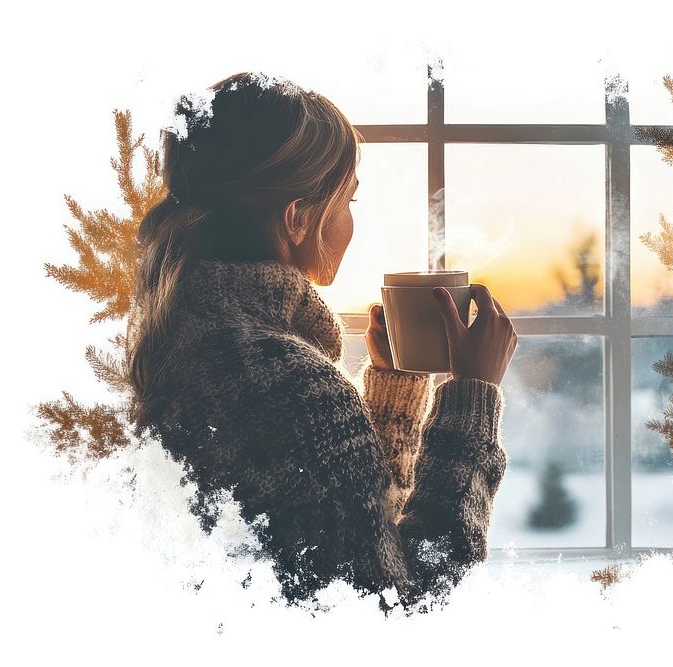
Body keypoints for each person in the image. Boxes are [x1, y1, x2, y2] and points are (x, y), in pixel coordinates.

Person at [125, 72, 517, 615]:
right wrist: (472, 400)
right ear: (298, 218)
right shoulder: (291, 386)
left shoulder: (179, 337)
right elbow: (403, 604)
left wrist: (394, 396)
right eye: (348, 200)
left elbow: (351, 536)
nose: (352, 223)